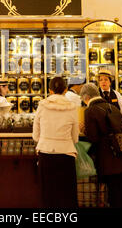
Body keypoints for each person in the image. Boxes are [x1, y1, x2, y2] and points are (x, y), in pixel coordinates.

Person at [80, 83, 122, 208]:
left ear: (86, 97)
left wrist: (84, 130)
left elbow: (93, 138)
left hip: (111, 160)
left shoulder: (90, 111)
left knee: (115, 196)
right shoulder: (112, 107)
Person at [32, 76, 79, 208]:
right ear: (65, 90)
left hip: (46, 152)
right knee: (67, 195)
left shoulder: (42, 106)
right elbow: (75, 137)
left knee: (48, 194)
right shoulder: (72, 107)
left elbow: (36, 134)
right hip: (66, 154)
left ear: (50, 90)